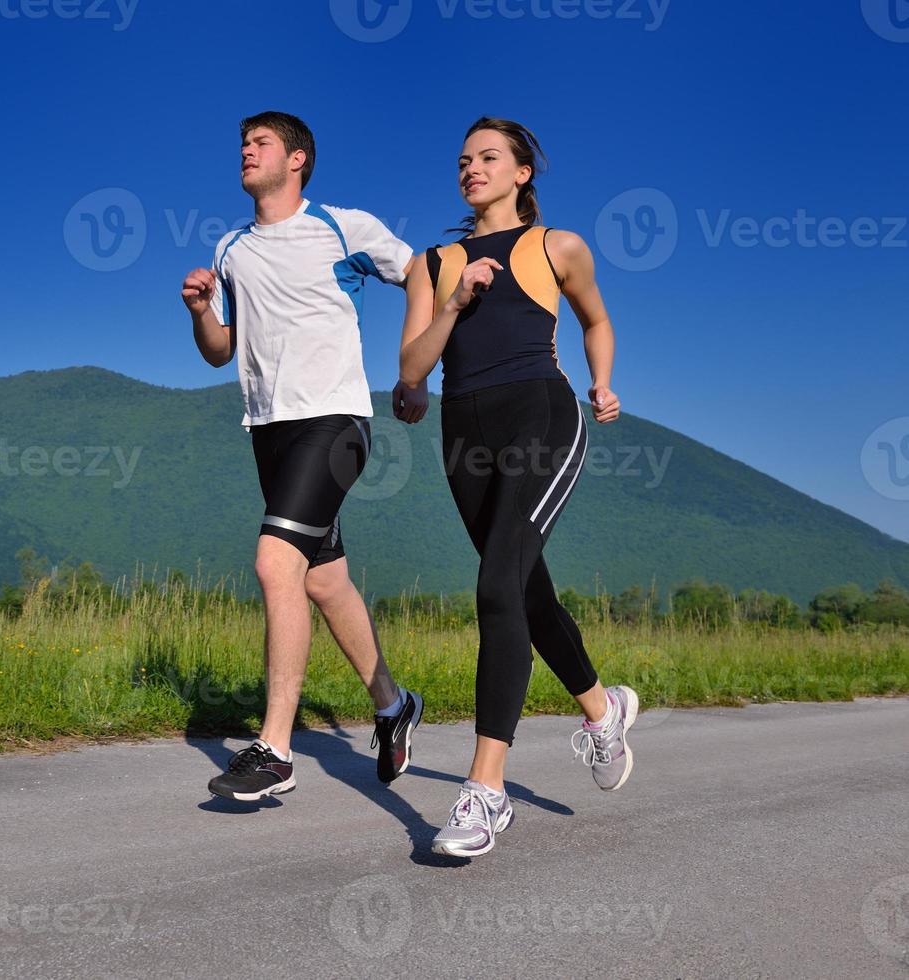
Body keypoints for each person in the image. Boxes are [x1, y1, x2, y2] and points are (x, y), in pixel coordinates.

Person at [392, 116, 637, 857]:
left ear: (522, 172)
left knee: (497, 585)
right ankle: (602, 711)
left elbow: (596, 320)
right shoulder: (431, 263)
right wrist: (457, 302)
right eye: (463, 159)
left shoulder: (556, 247)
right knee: (524, 591)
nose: (471, 168)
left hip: (541, 414)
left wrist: (601, 381)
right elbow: (410, 373)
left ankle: (486, 790)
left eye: (488, 158)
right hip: (464, 433)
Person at [181, 110, 424, 801]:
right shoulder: (230, 249)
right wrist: (201, 311)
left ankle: (275, 748)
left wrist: (414, 372)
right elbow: (221, 351)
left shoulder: (344, 226)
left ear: (297, 161)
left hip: (337, 423)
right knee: (322, 581)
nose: (245, 152)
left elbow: (420, 274)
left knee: (274, 561)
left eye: (259, 144)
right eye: (241, 145)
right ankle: (392, 704)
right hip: (270, 431)